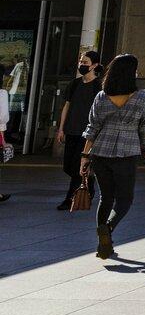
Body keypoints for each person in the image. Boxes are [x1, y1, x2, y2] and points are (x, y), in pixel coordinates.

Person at [80, 53, 145, 259]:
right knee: (125, 199)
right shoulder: (142, 96)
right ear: (130, 73)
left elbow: (93, 128)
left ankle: (103, 244)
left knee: (106, 197)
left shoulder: (101, 97)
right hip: (126, 153)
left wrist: (85, 156)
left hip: (100, 153)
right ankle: (108, 228)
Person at [55, 49, 102, 209]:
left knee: (77, 167)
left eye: (85, 63)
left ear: (94, 65)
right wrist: (61, 128)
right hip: (71, 130)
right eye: (80, 62)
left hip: (87, 133)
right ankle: (89, 180)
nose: (81, 65)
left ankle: (69, 200)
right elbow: (66, 106)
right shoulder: (74, 84)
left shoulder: (99, 86)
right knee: (68, 166)